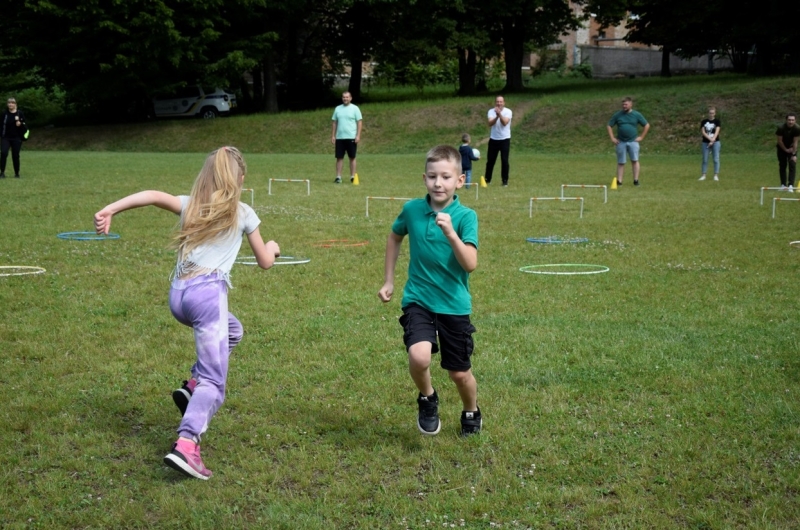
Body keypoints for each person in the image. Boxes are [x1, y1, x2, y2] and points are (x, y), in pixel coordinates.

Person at [93, 146, 281, 480]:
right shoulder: (244, 213)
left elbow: (152, 195)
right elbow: (265, 261)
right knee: (215, 381)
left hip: (179, 296)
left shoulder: (190, 204)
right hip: (207, 298)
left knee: (233, 331)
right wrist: (274, 248)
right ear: (239, 179)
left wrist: (111, 209)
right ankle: (187, 444)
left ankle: (192, 384)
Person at [378, 145, 481, 437]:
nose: (439, 183)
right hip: (418, 300)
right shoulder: (412, 210)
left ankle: (471, 410)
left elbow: (470, 263)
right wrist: (389, 280)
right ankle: (427, 398)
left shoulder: (465, 217)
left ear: (460, 181)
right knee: (419, 357)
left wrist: (451, 233)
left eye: (446, 177)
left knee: (459, 374)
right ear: (424, 178)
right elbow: (394, 236)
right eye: (433, 176)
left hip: (454, 305)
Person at [607, 97, 650, 186]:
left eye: (626, 104)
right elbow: (609, 125)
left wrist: (641, 137)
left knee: (635, 160)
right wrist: (612, 138)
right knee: (621, 162)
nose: (624, 106)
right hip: (621, 142)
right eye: (623, 104)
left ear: (631, 104)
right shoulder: (618, 115)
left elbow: (646, 125)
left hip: (633, 141)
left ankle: (636, 180)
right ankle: (619, 181)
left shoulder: (636, 115)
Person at [331, 91, 363, 184]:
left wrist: (358, 135)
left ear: (351, 98)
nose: (345, 99)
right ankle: (338, 177)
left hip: (351, 137)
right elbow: (334, 122)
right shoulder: (337, 109)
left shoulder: (355, 108)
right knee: (339, 157)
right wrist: (333, 135)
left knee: (352, 157)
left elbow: (359, 122)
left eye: (347, 97)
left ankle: (352, 176)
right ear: (342, 98)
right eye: (344, 97)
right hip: (340, 137)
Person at [485, 96, 512, 186]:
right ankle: (487, 179)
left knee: (504, 160)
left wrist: (500, 114)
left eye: (501, 102)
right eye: (497, 102)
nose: (499, 103)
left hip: (505, 139)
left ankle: (505, 181)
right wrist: (496, 117)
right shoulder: (491, 111)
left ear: (504, 103)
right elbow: (490, 123)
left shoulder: (508, 111)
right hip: (493, 139)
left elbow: (505, 123)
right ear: (495, 102)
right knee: (490, 161)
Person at [1, 97, 27, 178]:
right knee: (3, 153)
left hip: (17, 138)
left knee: (15, 155)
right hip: (6, 138)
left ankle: (17, 173)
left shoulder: (20, 113)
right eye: (9, 103)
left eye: (12, 103)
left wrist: (20, 124)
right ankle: (2, 173)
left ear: (15, 104)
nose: (10, 104)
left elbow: (25, 126)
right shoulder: (4, 114)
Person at [776, 113, 800, 191]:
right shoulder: (781, 128)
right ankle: (783, 185)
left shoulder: (797, 128)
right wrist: (785, 150)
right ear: (786, 120)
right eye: (789, 120)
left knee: (792, 164)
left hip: (792, 148)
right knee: (782, 165)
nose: (791, 122)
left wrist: (793, 154)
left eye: (792, 120)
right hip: (781, 148)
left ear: (795, 120)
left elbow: (796, 142)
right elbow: (779, 141)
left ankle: (790, 186)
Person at [699, 107, 721, 181]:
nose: (711, 114)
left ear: (715, 113)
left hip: (716, 142)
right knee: (705, 159)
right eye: (710, 113)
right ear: (708, 113)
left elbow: (717, 131)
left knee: (716, 159)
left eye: (713, 113)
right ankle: (703, 175)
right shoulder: (704, 121)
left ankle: (715, 175)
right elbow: (703, 132)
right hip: (705, 142)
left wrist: (712, 140)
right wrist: (709, 139)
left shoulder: (717, 121)